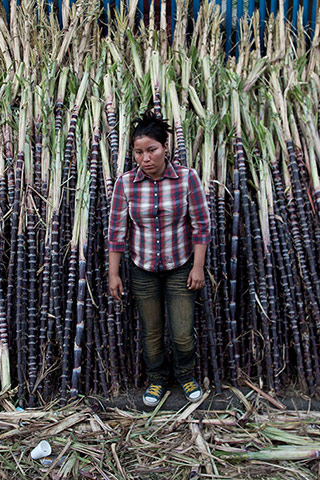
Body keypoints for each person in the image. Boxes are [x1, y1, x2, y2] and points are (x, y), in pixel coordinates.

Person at [108, 111, 211, 407]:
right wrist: (114, 274)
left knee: (181, 333)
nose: (145, 158)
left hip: (180, 268)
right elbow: (117, 231)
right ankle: (156, 380)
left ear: (165, 148)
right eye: (139, 152)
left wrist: (198, 266)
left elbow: (201, 225)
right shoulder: (126, 184)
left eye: (151, 150)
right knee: (151, 333)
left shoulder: (186, 178)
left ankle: (186, 375)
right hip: (143, 270)